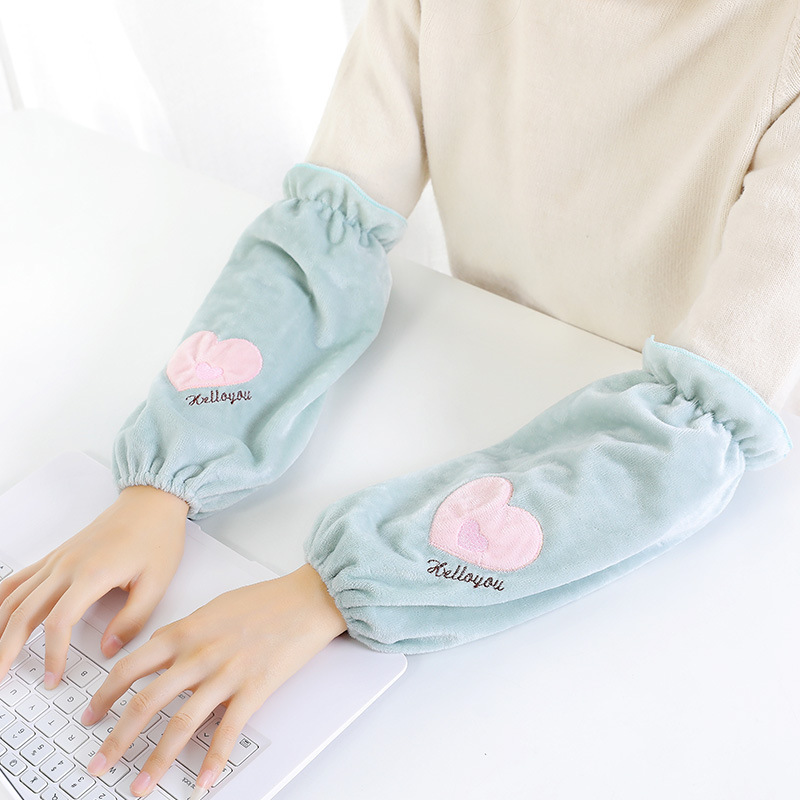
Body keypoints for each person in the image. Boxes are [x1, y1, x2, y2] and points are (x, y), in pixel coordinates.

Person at [2, 0, 799, 797]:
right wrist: (164, 479)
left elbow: (693, 433)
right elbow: (326, 229)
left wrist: (331, 590)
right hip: (486, 359)